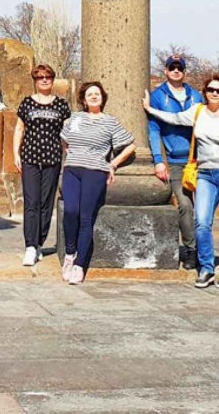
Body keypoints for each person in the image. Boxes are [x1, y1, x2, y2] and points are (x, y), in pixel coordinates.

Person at [143, 73, 219, 288]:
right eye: (210, 90)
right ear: (205, 93)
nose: (214, 93)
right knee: (201, 222)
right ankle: (206, 268)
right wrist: (150, 109)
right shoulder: (198, 111)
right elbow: (173, 118)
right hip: (205, 173)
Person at [59, 81, 136, 285]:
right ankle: (69, 253)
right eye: (90, 94)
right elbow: (65, 140)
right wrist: (71, 156)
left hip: (95, 171)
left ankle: (79, 265)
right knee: (70, 211)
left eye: (97, 94)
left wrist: (113, 164)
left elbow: (130, 145)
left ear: (103, 98)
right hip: (72, 169)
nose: (94, 96)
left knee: (86, 217)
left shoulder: (110, 122)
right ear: (83, 99)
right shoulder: (75, 118)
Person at [147, 54, 203, 269]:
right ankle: (191, 250)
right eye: (172, 68)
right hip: (175, 160)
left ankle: (204, 250)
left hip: (198, 160)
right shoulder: (158, 96)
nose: (176, 71)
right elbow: (153, 129)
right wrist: (159, 160)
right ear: (166, 71)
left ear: (185, 71)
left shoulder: (196, 96)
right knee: (185, 205)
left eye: (180, 68)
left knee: (205, 210)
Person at [12, 64, 71, 266]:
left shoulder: (61, 105)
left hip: (52, 159)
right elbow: (19, 129)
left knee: (46, 203)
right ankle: (29, 245)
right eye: (40, 77)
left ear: (52, 80)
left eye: (48, 77)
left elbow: (66, 134)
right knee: (31, 202)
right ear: (35, 81)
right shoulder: (27, 103)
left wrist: (67, 156)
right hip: (30, 157)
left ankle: (39, 242)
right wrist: (15, 153)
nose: (44, 80)